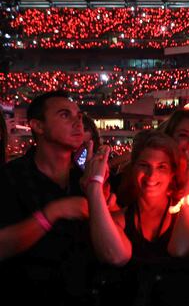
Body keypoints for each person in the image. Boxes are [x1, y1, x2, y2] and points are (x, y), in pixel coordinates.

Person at [0, 91, 130, 266]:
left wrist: (96, 191)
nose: (78, 123)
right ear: (38, 126)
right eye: (64, 115)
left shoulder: (86, 178)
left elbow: (118, 254)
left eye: (79, 116)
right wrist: (55, 212)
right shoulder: (10, 178)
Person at [118, 130, 189, 259]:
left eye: (161, 167)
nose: (151, 175)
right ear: (133, 167)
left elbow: (181, 251)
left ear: (172, 172)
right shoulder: (118, 219)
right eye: (144, 165)